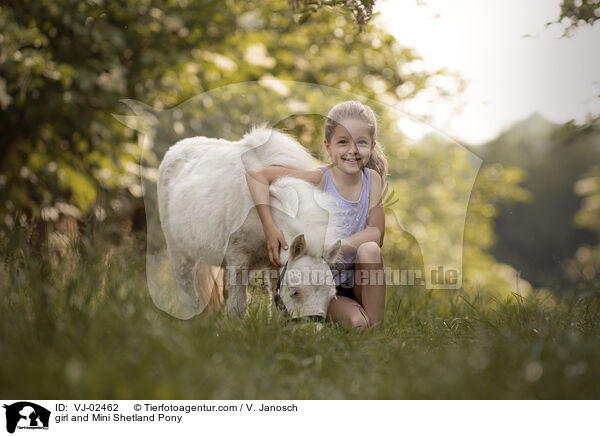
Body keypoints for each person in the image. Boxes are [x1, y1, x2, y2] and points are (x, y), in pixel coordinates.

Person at [245, 101, 387, 331]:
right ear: (328, 147)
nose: (352, 150)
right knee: (358, 324)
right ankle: (355, 322)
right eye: (343, 142)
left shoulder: (372, 179)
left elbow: (376, 233)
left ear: (372, 145)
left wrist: (336, 247)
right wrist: (270, 227)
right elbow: (256, 176)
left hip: (361, 279)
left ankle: (376, 333)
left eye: (361, 142)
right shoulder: (320, 178)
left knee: (370, 249)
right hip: (325, 285)